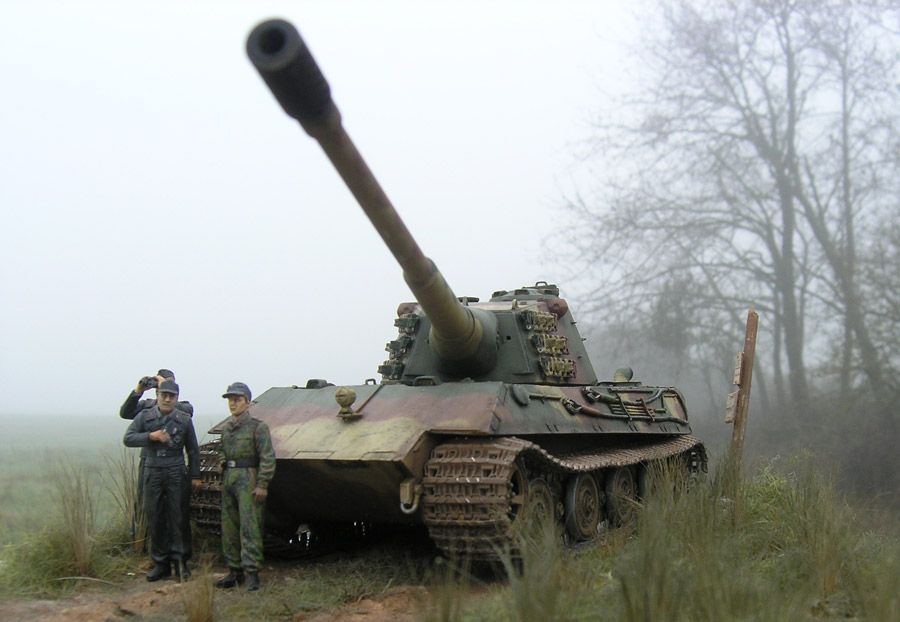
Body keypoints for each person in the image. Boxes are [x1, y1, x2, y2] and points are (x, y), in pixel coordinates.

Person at [124, 379, 202, 581]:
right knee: (155, 516)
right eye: (163, 395)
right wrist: (151, 436)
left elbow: (193, 450)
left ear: (177, 398)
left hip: (176, 469)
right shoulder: (145, 416)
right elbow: (128, 438)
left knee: (179, 517)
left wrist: (195, 475)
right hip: (153, 469)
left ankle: (181, 562)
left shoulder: (184, 420)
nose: (167, 399)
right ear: (157, 396)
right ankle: (161, 562)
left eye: (171, 396)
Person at [214, 382, 276, 592]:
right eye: (230, 400)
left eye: (237, 400)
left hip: (248, 477)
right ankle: (234, 570)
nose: (233, 404)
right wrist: (222, 461)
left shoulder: (258, 427)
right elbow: (222, 450)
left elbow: (267, 457)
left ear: (248, 402)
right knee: (229, 527)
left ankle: (251, 572)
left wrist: (262, 483)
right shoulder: (227, 428)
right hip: (230, 477)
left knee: (250, 526)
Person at [119, 368, 194, 419]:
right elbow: (125, 414)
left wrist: (164, 387)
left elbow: (188, 412)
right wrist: (138, 391)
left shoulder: (185, 406)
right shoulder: (146, 406)